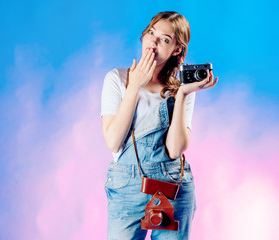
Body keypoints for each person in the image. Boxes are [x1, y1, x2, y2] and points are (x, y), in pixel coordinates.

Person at [100, 11, 218, 240]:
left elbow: (175, 150)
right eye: (151, 33)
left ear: (177, 49)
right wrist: (134, 87)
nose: (153, 42)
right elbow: (114, 142)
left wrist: (182, 94)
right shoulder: (117, 78)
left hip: (172, 185)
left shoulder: (181, 88)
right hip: (127, 187)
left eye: (164, 39)